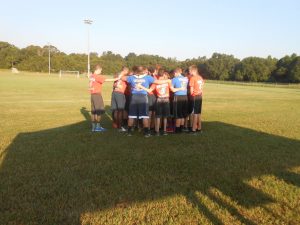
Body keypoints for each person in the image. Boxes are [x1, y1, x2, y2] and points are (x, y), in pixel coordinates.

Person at [121, 66, 170, 137]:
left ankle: (129, 132)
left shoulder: (132, 77)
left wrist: (123, 72)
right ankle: (146, 132)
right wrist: (167, 80)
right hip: (143, 97)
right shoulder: (147, 77)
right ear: (143, 71)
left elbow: (122, 78)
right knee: (144, 116)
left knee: (131, 115)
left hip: (134, 97)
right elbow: (158, 82)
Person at [138, 69, 184, 136]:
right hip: (166, 99)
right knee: (165, 116)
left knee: (158, 116)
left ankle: (157, 131)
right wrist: (181, 88)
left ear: (158, 74)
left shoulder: (155, 82)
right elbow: (173, 90)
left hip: (159, 99)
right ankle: (165, 131)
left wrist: (141, 86)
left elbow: (149, 90)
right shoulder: (168, 81)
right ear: (164, 74)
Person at [89, 65, 118, 132]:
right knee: (99, 111)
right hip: (97, 95)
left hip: (92, 95)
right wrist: (116, 79)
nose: (101, 72)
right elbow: (107, 80)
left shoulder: (92, 76)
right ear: (98, 70)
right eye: (101, 71)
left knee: (93, 112)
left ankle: (93, 127)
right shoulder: (98, 76)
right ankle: (98, 127)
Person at [111, 66, 129, 132]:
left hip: (114, 93)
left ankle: (115, 124)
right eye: (127, 72)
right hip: (120, 93)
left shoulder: (117, 75)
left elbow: (114, 85)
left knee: (116, 110)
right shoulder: (123, 76)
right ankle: (120, 127)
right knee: (120, 111)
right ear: (125, 71)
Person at [171, 68, 189, 133]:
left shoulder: (174, 79)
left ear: (176, 73)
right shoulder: (186, 79)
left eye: (174, 73)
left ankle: (177, 129)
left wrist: (178, 88)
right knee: (183, 113)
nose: (174, 75)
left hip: (178, 97)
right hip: (185, 97)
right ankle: (181, 128)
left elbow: (172, 90)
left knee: (178, 114)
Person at [188, 65, 205, 134]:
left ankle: (193, 129)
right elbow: (202, 85)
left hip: (195, 96)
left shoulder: (193, 78)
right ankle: (199, 128)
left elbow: (191, 91)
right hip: (200, 96)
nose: (189, 72)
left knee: (195, 113)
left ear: (193, 71)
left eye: (189, 71)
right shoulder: (200, 77)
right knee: (198, 113)